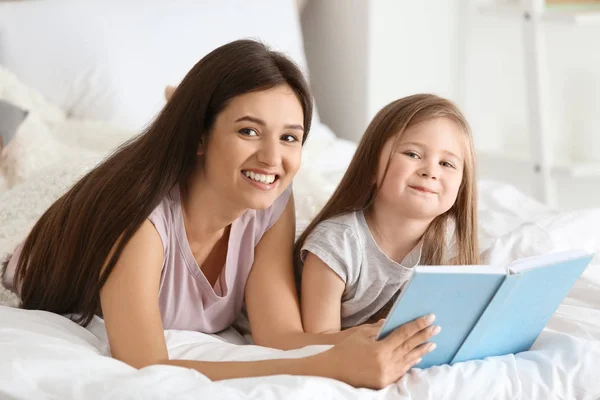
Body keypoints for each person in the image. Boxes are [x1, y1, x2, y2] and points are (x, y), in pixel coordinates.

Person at [1, 40, 438, 389]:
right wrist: (330, 368)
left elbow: (278, 337)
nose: (272, 158)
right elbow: (144, 363)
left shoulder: (270, 204)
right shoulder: (142, 220)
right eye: (249, 130)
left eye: (290, 137)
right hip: (39, 228)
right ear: (199, 137)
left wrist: (361, 342)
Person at [296, 94, 480, 336]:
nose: (431, 171)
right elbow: (319, 341)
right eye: (413, 154)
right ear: (372, 166)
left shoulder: (448, 248)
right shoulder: (337, 243)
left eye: (447, 164)